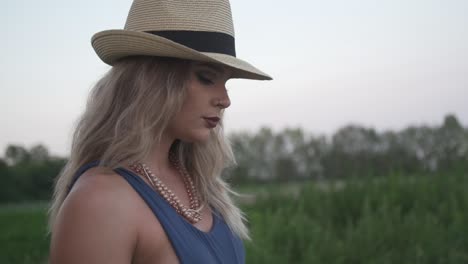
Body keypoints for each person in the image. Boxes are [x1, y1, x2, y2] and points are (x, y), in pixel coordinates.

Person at [48, 0, 272, 263]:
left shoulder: (202, 184)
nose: (225, 99)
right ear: (151, 79)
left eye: (226, 82)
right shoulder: (100, 201)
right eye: (206, 78)